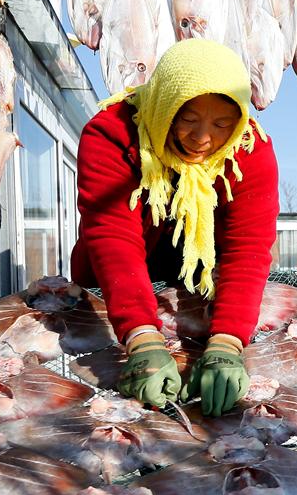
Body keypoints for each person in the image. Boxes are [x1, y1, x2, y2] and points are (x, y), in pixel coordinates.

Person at [71, 39, 279, 416]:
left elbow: (247, 248)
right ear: (165, 104)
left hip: (204, 282)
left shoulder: (250, 147)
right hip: (117, 282)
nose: (203, 139)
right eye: (186, 119)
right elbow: (112, 234)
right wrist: (141, 337)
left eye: (221, 124)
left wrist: (228, 342)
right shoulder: (112, 132)